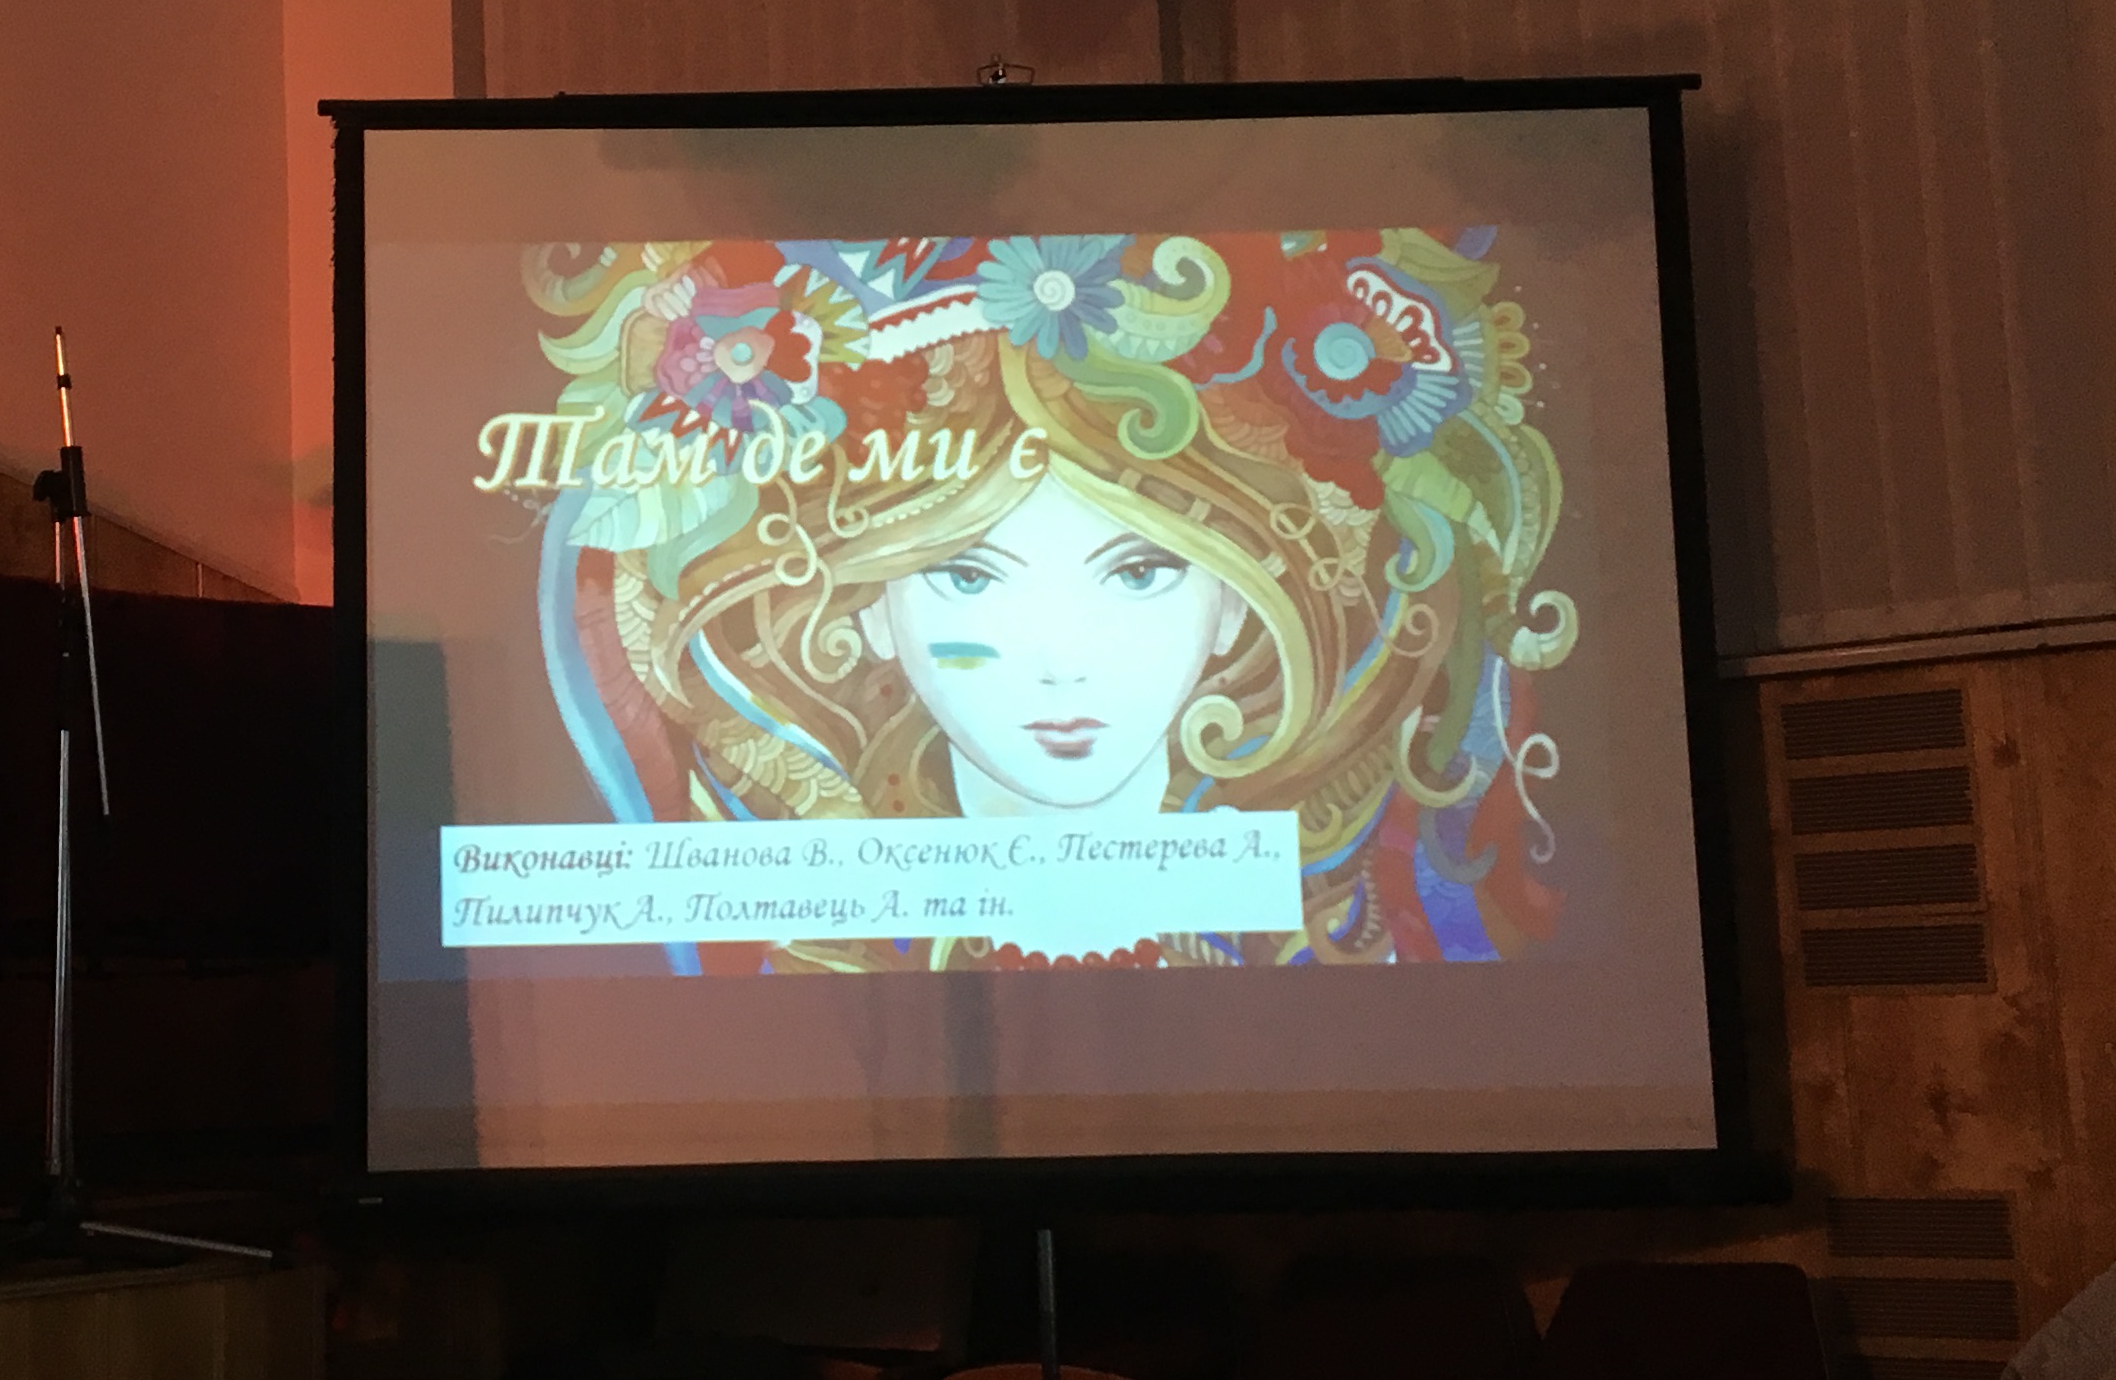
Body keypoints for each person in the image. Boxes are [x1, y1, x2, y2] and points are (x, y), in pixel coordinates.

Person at [522, 229, 1578, 966]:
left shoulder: (1387, 930)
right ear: (869, 611)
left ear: (1237, 605)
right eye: (968, 575)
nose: (1061, 662)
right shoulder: (787, 962)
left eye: (1140, 573)